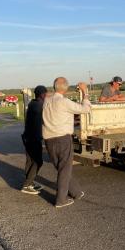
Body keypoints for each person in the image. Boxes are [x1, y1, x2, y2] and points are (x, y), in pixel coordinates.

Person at [43, 77, 91, 208]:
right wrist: (85, 92)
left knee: (61, 167)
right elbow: (85, 109)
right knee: (64, 169)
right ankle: (61, 200)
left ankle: (75, 192)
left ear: (54, 87)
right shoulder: (64, 102)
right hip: (62, 139)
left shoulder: (46, 101)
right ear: (66, 88)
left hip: (48, 139)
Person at [21, 85, 47, 195]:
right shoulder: (39, 106)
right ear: (42, 94)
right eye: (46, 93)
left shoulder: (32, 103)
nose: (47, 95)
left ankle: (30, 183)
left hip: (28, 137)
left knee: (30, 161)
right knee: (38, 161)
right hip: (33, 138)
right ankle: (26, 185)